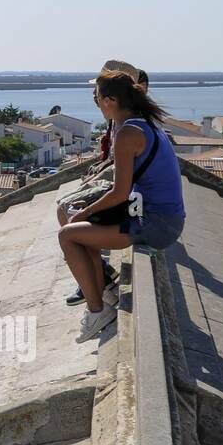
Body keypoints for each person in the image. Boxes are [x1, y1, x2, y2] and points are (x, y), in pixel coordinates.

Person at [58, 70, 186, 342]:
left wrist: (87, 210)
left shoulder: (128, 133)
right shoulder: (144, 124)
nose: (97, 101)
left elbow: (119, 192)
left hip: (156, 224)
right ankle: (102, 291)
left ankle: (97, 311)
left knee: (67, 235)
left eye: (99, 97)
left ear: (110, 101)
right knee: (82, 229)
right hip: (158, 215)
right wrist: (90, 210)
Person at [58, 60, 144, 305]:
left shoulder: (127, 122)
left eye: (98, 91)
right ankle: (96, 275)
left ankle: (96, 281)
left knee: (69, 210)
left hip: (123, 184)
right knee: (66, 208)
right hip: (115, 175)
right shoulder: (119, 119)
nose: (94, 96)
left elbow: (121, 169)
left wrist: (94, 184)